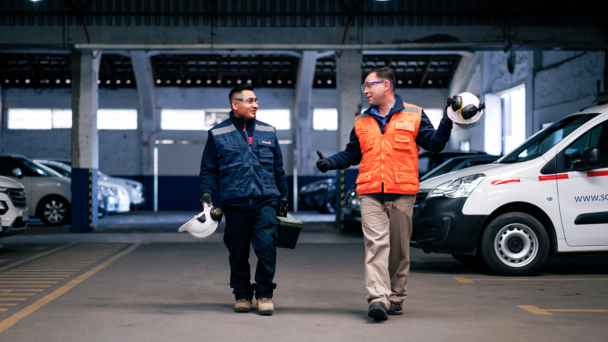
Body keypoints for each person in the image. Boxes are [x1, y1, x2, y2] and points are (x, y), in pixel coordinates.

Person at [315, 67, 453, 321]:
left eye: (370, 85)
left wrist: (447, 120)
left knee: (399, 250)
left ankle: (396, 295)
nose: (365, 90)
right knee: (376, 246)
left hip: (402, 192)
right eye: (364, 87)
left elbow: (434, 144)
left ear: (387, 85)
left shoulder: (414, 114)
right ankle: (378, 298)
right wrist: (331, 162)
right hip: (370, 193)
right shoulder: (361, 120)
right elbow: (353, 153)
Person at [199, 83, 289, 315]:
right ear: (234, 104)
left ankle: (265, 293)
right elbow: (209, 170)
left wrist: (284, 195)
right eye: (249, 100)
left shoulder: (269, 131)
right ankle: (241, 294)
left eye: (256, 100)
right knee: (238, 251)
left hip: (265, 200)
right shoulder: (218, 133)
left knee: (267, 246)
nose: (255, 104)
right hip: (235, 202)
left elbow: (278, 167)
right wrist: (207, 193)